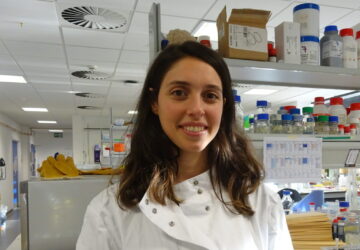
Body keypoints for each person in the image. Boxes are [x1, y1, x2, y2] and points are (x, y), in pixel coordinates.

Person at [76, 41, 294, 250]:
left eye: (210, 96)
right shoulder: (109, 211)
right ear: (154, 102)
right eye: (179, 93)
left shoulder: (262, 202)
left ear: (223, 106)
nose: (197, 109)